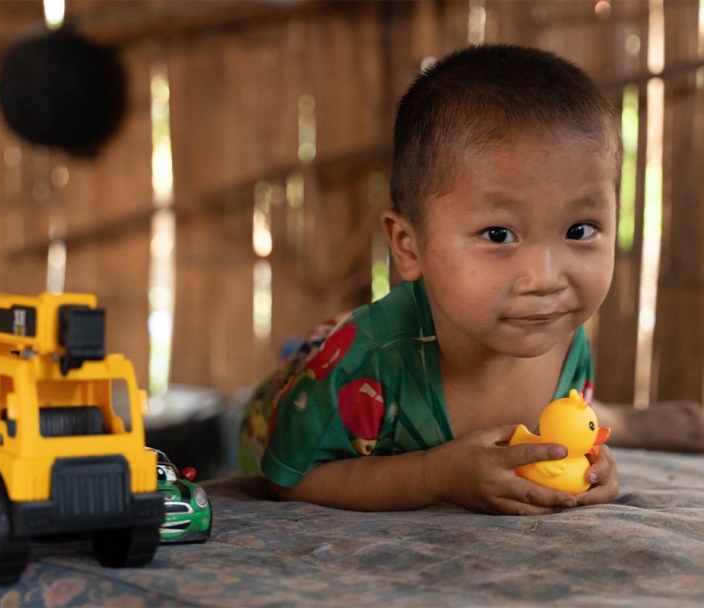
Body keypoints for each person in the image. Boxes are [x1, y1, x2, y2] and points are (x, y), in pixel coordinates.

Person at [237, 43, 703, 514]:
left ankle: (615, 422)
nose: (545, 279)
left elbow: (558, 437)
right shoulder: (366, 367)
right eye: (499, 235)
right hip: (292, 409)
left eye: (579, 230)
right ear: (407, 246)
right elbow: (292, 478)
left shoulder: (560, 334)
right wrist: (434, 475)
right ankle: (623, 421)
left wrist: (593, 467)